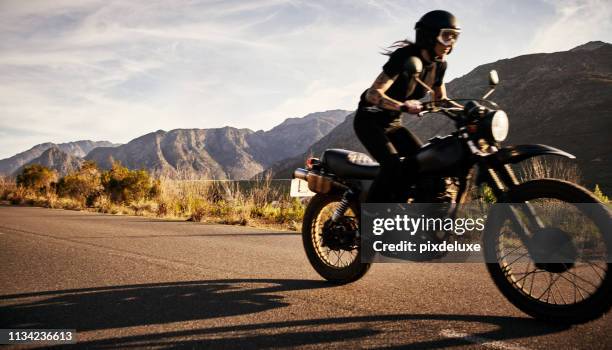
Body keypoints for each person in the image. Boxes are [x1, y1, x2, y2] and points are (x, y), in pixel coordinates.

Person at [353, 10, 461, 203]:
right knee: (392, 165)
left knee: (423, 163)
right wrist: (402, 106)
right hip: (369, 119)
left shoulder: (440, 65)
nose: (451, 43)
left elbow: (440, 99)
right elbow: (373, 94)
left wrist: (468, 111)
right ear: (430, 35)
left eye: (454, 37)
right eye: (446, 36)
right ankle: (370, 217)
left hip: (393, 123)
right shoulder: (404, 57)